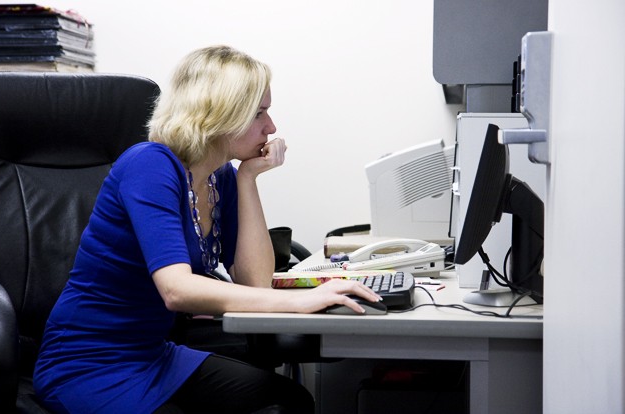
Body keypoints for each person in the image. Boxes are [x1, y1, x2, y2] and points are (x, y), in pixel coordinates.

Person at [33, 45, 381, 414]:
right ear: (220, 115)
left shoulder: (221, 177)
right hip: (87, 362)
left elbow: (255, 281)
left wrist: (248, 180)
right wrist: (300, 301)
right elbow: (176, 290)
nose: (272, 127)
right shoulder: (149, 165)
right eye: (259, 113)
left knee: (289, 401)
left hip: (154, 355)